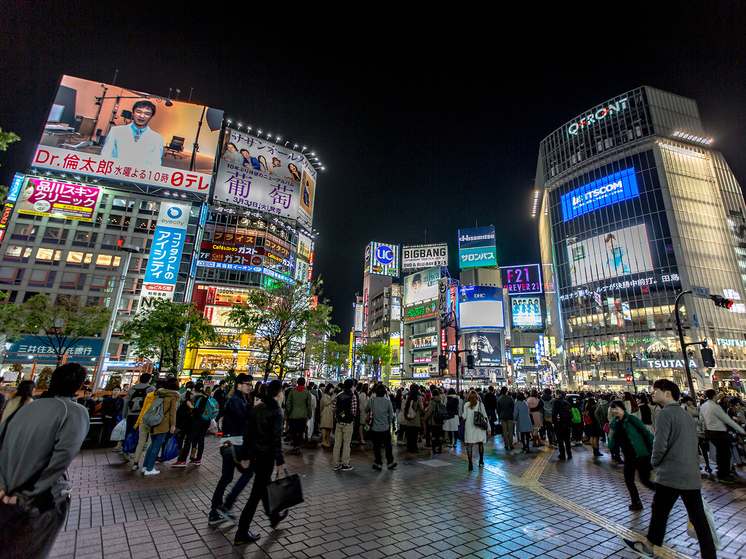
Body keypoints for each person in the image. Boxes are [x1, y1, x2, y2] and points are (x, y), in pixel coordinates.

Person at [0, 363, 89, 559]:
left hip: (6, 497)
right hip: (41, 500)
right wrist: (28, 494)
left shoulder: (24, 409)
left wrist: (4, 488)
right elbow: (60, 460)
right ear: (81, 385)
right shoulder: (74, 412)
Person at [622, 380, 717, 559]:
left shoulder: (665, 414)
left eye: (655, 390)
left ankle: (648, 547)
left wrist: (655, 464)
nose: (652, 393)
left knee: (660, 511)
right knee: (699, 520)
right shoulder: (685, 414)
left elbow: (660, 445)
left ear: (668, 393)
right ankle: (709, 555)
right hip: (690, 475)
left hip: (671, 474)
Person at [234, 380, 286, 545]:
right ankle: (241, 532)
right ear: (279, 393)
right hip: (267, 456)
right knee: (256, 494)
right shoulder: (276, 411)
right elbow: (276, 438)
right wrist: (280, 459)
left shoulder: (258, 409)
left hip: (256, 455)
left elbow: (248, 433)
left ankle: (274, 516)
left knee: (264, 486)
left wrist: (245, 455)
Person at [209, 374, 254, 524]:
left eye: (250, 384)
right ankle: (226, 506)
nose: (249, 386)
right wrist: (254, 408)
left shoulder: (237, 399)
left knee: (226, 477)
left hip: (227, 443)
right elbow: (244, 420)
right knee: (248, 473)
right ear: (238, 385)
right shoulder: (237, 400)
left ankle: (215, 512)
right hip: (235, 443)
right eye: (247, 384)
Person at [608, 400, 655, 511]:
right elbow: (614, 436)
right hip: (628, 456)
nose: (615, 411)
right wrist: (609, 447)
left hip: (640, 454)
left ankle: (663, 493)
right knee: (629, 480)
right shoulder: (616, 423)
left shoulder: (632, 420)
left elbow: (646, 433)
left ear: (623, 409)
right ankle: (636, 502)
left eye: (617, 408)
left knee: (645, 480)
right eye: (613, 409)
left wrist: (655, 448)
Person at [100, 100, 164, 166]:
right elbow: (105, 155)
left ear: (151, 117)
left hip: (139, 174)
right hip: (116, 172)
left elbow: (155, 164)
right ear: (132, 113)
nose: (142, 116)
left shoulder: (157, 139)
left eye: (147, 114)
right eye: (139, 112)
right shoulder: (116, 131)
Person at [700, 388, 745, 483]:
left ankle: (723, 472)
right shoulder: (715, 407)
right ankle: (724, 474)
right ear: (714, 396)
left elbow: (702, 420)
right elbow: (726, 419)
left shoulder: (703, 406)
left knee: (721, 453)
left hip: (710, 432)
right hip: (719, 432)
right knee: (725, 454)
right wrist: (741, 430)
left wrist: (705, 430)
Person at [141, 377, 180, 476]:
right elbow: (172, 413)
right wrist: (173, 425)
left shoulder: (159, 394)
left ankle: (145, 466)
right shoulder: (173, 396)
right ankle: (149, 469)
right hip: (163, 423)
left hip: (153, 421)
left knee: (152, 444)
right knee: (157, 446)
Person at [365, 383, 397, 470]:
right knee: (388, 445)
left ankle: (378, 463)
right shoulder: (387, 401)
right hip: (385, 427)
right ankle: (390, 462)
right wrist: (389, 423)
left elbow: (366, 410)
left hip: (374, 427)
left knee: (376, 446)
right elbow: (391, 415)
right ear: (384, 392)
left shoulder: (371, 400)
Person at [681, 395, 712, 474]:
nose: (692, 403)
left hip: (691, 431)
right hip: (695, 430)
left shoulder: (684, 407)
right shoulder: (686, 408)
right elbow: (697, 414)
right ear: (688, 401)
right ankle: (706, 464)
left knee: (695, 449)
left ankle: (701, 465)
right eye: (691, 401)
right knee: (701, 448)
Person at [332, 378, 357, 471]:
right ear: (351, 386)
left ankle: (335, 463)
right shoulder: (352, 396)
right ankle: (345, 463)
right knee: (346, 444)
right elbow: (354, 412)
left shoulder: (338, 395)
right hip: (348, 422)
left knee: (337, 443)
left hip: (339, 422)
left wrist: (340, 414)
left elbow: (334, 409)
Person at [462, 389, 490, 470]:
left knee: (469, 445)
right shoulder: (480, 405)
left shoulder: (466, 405)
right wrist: (488, 428)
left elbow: (464, 417)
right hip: (479, 427)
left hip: (469, 427)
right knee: (480, 443)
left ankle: (470, 463)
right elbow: (485, 417)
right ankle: (481, 461)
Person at [121, 373, 155, 441]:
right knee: (141, 433)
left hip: (131, 412)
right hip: (143, 415)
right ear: (149, 380)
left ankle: (127, 446)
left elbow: (126, 402)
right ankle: (136, 447)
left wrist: (124, 414)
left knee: (129, 431)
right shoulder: (151, 389)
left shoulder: (132, 388)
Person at [285, 377, 313, 456]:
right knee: (301, 431)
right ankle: (298, 445)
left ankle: (295, 445)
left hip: (293, 415)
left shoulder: (292, 392)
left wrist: (289, 411)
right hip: (303, 415)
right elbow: (309, 405)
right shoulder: (307, 392)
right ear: (304, 383)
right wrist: (309, 414)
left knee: (293, 431)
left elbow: (288, 403)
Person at [423, 387, 446, 454]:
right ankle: (440, 449)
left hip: (433, 421)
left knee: (433, 435)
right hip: (440, 421)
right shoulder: (441, 401)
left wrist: (424, 418)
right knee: (440, 435)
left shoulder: (432, 402)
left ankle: (434, 449)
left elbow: (429, 411)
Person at [402, 385, 424, 454]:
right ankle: (414, 448)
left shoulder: (408, 397)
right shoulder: (418, 398)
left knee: (409, 434)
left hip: (409, 419)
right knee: (415, 435)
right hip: (416, 419)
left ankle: (409, 447)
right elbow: (421, 408)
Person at [552, 390, 573, 461]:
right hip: (567, 423)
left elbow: (554, 413)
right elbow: (571, 414)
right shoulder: (566, 402)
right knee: (567, 439)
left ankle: (562, 454)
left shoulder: (556, 402)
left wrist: (554, 422)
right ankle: (569, 454)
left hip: (559, 423)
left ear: (558, 395)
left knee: (560, 440)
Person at [496, 386, 515, 452]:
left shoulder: (499, 399)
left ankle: (506, 444)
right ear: (507, 391)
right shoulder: (510, 399)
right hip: (509, 416)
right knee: (510, 431)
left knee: (504, 431)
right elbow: (513, 408)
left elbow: (498, 409)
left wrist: (499, 417)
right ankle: (511, 444)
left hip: (502, 416)